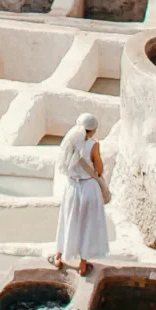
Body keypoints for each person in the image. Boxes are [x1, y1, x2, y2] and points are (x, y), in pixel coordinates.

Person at [49, 112, 109, 275]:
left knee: (67, 221)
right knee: (87, 225)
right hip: (88, 188)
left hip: (72, 189)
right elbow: (98, 169)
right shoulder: (93, 145)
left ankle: (59, 256)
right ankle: (82, 264)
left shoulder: (68, 144)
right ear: (92, 130)